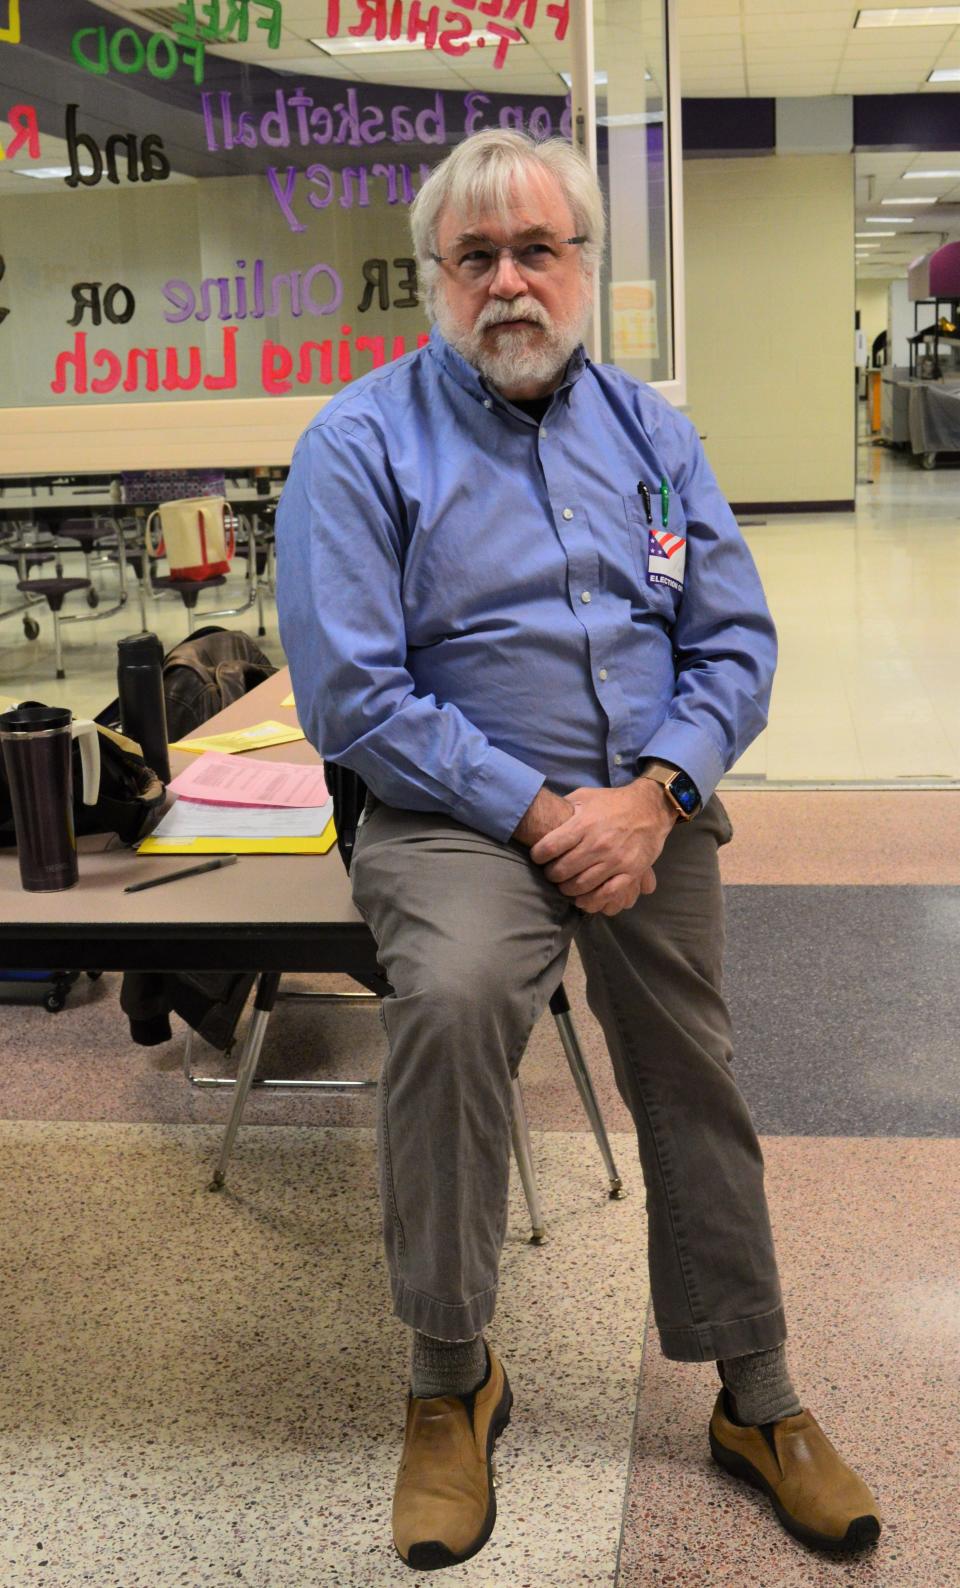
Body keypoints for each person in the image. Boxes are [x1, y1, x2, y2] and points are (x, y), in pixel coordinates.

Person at [276, 128, 881, 1572]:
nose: (506, 283)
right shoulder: (357, 444)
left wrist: (657, 790)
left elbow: (732, 639)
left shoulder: (653, 435)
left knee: (693, 1060)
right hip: (453, 813)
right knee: (459, 999)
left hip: (646, 807)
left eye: (535, 250)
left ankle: (758, 1396)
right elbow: (352, 693)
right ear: (434, 277)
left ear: (586, 268)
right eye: (474, 256)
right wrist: (546, 813)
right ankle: (449, 1377)